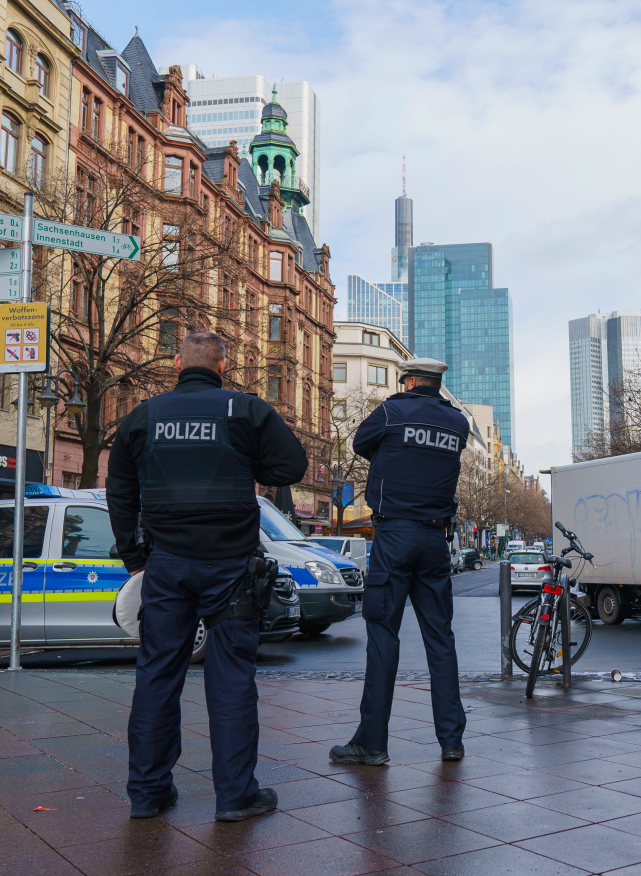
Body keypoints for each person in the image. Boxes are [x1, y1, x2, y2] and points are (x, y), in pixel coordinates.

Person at [106, 331, 307, 822]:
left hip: (166, 565)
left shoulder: (144, 415)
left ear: (177, 364)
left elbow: (119, 490)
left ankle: (148, 793)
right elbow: (293, 464)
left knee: (157, 676)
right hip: (231, 566)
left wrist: (135, 558)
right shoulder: (245, 410)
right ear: (222, 366)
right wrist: (245, 461)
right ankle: (236, 797)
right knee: (232, 679)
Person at [331, 358, 470, 767]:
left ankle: (372, 743)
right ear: (437, 384)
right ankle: (451, 741)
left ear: (408, 381)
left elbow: (360, 444)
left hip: (394, 536)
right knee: (440, 639)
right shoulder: (457, 423)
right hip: (434, 538)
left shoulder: (391, 411)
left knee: (383, 635)